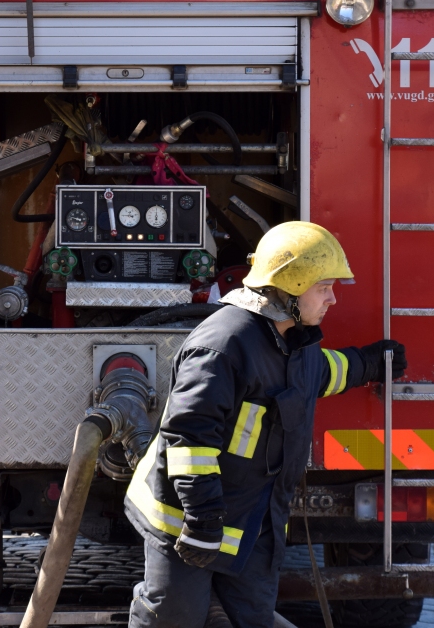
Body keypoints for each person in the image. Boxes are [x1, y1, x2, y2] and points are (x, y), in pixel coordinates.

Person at [124, 221, 408, 628]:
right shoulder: (225, 345)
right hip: (185, 522)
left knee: (250, 620)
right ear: (291, 287)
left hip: (253, 523)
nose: (332, 299)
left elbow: (321, 374)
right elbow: (189, 438)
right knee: (173, 617)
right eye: (323, 287)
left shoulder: (297, 339)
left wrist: (368, 362)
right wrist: (203, 519)